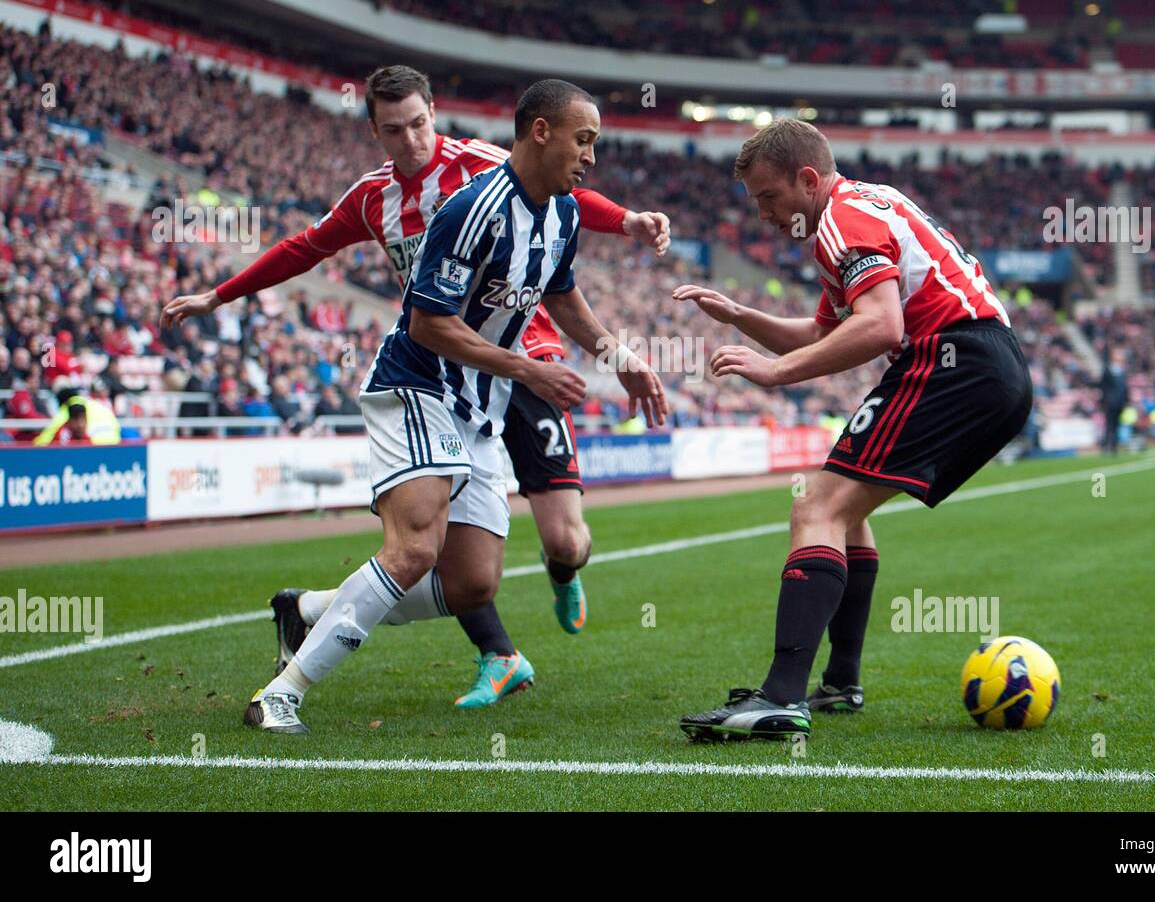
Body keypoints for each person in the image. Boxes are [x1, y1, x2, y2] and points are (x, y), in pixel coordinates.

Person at [161, 65, 672, 708]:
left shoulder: (491, 166)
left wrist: (625, 228)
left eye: (419, 124)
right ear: (375, 132)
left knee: (500, 570)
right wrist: (219, 293)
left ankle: (322, 609)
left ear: (435, 114)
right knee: (415, 547)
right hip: (437, 369)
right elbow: (306, 248)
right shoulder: (382, 197)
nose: (410, 142)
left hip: (517, 363)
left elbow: (563, 203)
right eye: (393, 131)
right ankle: (294, 693)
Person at [673, 118, 1030, 741]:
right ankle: (840, 679)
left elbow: (882, 328)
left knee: (816, 507)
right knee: (848, 511)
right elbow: (823, 332)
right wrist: (740, 316)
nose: (762, 214)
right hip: (981, 363)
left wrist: (776, 373)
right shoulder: (860, 208)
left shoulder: (843, 221)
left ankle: (781, 696)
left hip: (952, 362)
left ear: (807, 179)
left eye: (769, 197)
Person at [1098, 349, 1128, 453]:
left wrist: (1126, 401)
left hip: (1120, 403)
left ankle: (1114, 446)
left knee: (1116, 425)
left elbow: (1124, 388)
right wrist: (1104, 401)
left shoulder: (1122, 371)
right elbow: (1103, 386)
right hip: (1110, 403)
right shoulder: (1108, 370)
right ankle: (1106, 446)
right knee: (1109, 425)